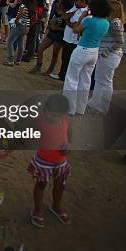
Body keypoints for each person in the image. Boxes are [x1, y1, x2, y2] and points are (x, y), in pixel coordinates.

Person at [28, 94, 72, 228]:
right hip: (43, 162)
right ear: (44, 110)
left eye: (57, 115)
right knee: (41, 185)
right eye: (51, 114)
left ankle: (56, 206)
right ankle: (37, 209)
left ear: (63, 115)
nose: (53, 118)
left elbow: (69, 134)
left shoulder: (65, 121)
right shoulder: (39, 121)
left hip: (61, 162)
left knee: (60, 185)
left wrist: (69, 144)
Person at [63, 0, 111, 116]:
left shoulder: (89, 20)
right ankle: (80, 108)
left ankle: (69, 107)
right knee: (85, 80)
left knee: (72, 79)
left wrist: (82, 17)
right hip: (94, 51)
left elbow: (75, 30)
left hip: (82, 50)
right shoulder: (106, 22)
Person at [87, 0, 125, 114]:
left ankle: (102, 106)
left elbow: (120, 42)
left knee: (105, 82)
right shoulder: (111, 22)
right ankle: (95, 103)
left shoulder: (115, 23)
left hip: (109, 56)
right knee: (100, 80)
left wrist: (105, 53)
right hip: (105, 55)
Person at [51, 0, 89, 81]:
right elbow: (64, 16)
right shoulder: (76, 8)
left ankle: (66, 77)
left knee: (70, 60)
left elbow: (75, 26)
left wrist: (68, 21)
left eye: (77, 0)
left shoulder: (84, 12)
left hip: (74, 40)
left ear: (83, 1)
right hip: (67, 38)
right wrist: (69, 19)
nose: (75, 2)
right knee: (65, 58)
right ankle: (62, 75)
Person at [30, 0, 72, 75]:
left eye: (60, 3)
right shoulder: (57, 11)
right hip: (52, 33)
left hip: (59, 35)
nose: (58, 4)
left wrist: (57, 27)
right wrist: (50, 25)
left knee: (55, 54)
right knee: (40, 48)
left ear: (63, 5)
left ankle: (49, 70)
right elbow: (49, 21)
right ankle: (38, 66)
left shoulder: (68, 14)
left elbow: (68, 28)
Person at [5, 0, 34, 66]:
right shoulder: (32, 7)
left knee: (10, 42)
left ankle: (10, 60)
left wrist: (16, 21)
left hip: (20, 25)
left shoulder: (23, 5)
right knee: (20, 43)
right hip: (26, 27)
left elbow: (20, 13)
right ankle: (18, 60)